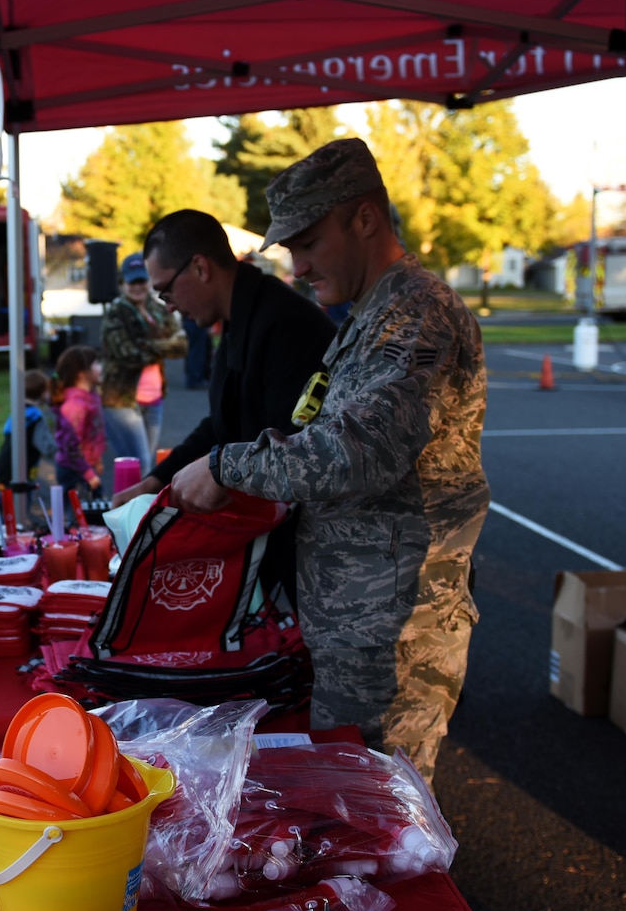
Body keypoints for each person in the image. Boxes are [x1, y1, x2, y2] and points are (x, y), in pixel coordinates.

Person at [168, 140, 488, 781]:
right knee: (356, 811)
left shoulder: (415, 315)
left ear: (364, 219)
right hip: (360, 625)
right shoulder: (370, 315)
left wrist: (227, 466)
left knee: (386, 821)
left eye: (308, 242)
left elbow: (356, 451)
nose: (299, 264)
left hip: (395, 631)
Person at [116, 209, 337, 603]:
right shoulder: (241, 317)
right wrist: (156, 480)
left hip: (326, 562)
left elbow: (291, 452)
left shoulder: (284, 323)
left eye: (165, 290)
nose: (166, 305)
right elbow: (223, 422)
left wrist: (215, 472)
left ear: (200, 268)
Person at [99, 252, 186, 471]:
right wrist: (164, 344)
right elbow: (129, 355)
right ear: (122, 283)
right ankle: (127, 506)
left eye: (142, 280)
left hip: (154, 399)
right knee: (140, 466)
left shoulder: (158, 308)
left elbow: (182, 346)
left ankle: (136, 505)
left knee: (146, 468)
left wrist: (148, 344)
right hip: (122, 400)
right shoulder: (115, 314)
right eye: (132, 282)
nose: (138, 287)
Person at [0, 369, 57, 531]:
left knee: (11, 498)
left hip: (5, 464)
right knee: (17, 505)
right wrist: (61, 447)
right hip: (19, 470)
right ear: (42, 393)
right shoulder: (35, 416)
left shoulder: (18, 412)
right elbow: (46, 446)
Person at [52, 345, 106, 496]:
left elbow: (93, 433)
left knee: (92, 512)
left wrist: (97, 460)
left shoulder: (90, 396)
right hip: (74, 471)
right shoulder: (76, 405)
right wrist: (89, 474)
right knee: (78, 517)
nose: (101, 367)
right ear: (81, 374)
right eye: (96, 363)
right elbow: (70, 447)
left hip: (86, 466)